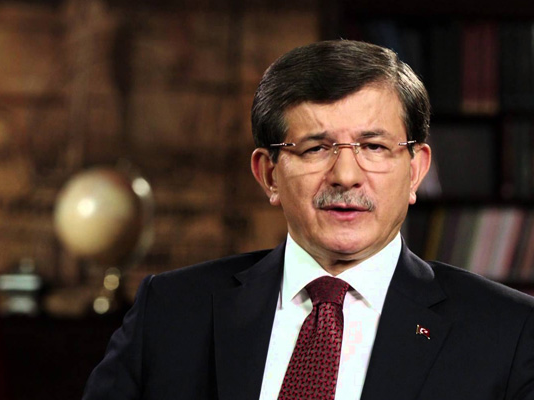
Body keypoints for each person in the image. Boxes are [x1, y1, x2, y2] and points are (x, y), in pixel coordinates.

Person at [82, 40, 534, 400]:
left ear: (415, 171)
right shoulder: (171, 311)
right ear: (269, 174)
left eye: (374, 147)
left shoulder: (509, 331)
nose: (346, 175)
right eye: (316, 148)